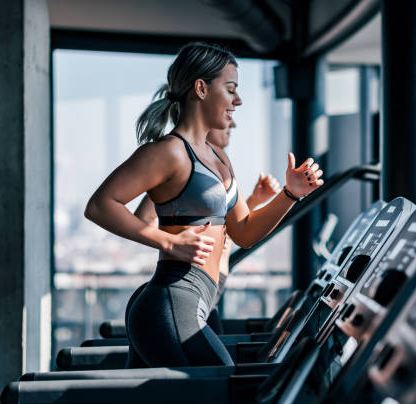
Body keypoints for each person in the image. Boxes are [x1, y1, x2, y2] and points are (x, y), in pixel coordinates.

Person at [85, 42, 323, 368]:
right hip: (172, 300)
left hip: (198, 303)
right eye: (230, 89)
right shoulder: (169, 152)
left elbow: (244, 232)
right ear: (201, 88)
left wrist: (290, 195)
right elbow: (100, 205)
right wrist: (167, 240)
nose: (237, 100)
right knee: (225, 389)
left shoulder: (219, 158)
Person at [132, 122, 281, 334]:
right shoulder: (181, 166)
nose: (233, 124)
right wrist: (174, 241)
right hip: (186, 290)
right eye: (225, 115)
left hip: (209, 290)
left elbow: (229, 227)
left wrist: (254, 201)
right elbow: (144, 217)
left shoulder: (218, 163)